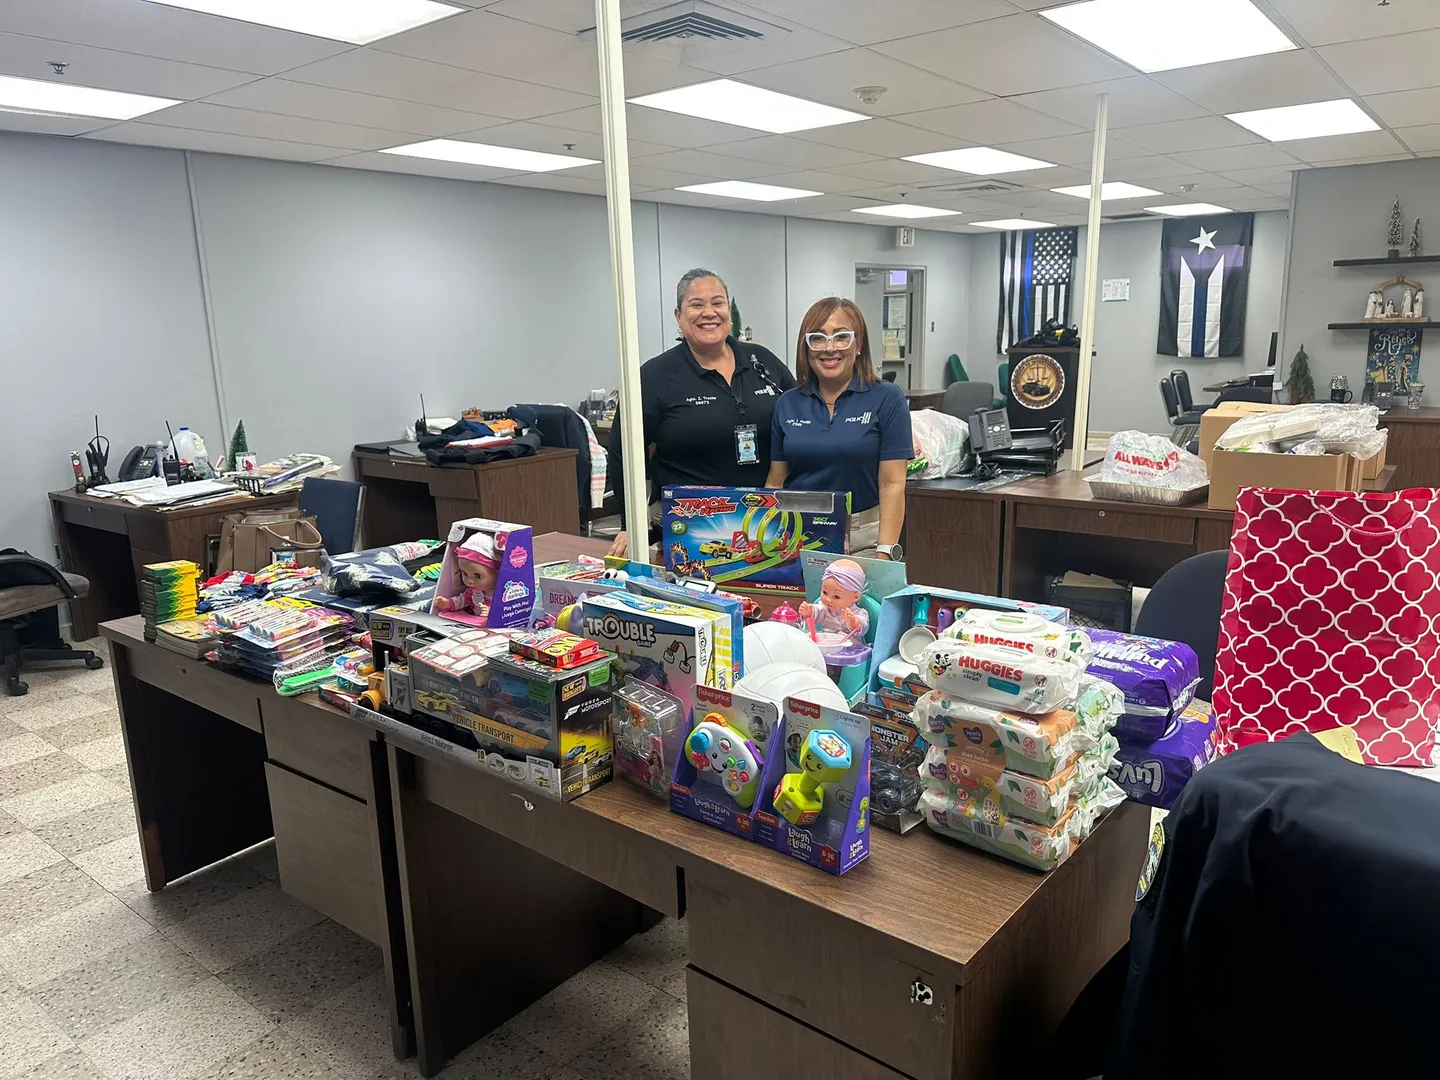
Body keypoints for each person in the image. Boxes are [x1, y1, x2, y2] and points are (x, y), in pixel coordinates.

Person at [607, 269, 796, 557]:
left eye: (717, 303)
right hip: (689, 526)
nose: (709, 313)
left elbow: (798, 419)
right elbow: (623, 451)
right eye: (696, 305)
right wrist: (628, 521)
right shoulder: (655, 376)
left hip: (765, 520)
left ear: (729, 311)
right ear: (678, 316)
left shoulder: (763, 361)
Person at [766, 297, 911, 559]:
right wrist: (766, 540)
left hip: (863, 537)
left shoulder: (887, 398)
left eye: (842, 337)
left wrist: (885, 552)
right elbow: (776, 481)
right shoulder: (787, 403)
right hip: (797, 536)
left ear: (858, 345)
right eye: (818, 338)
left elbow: (892, 483)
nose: (829, 348)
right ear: (806, 347)